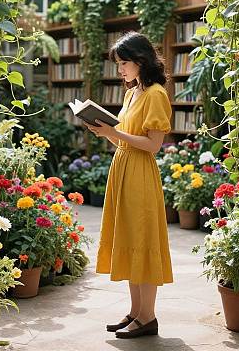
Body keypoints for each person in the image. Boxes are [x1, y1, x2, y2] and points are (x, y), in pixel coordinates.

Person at [84, 31, 173, 339]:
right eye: (118, 64)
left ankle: (148, 317)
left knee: (143, 240)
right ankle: (136, 312)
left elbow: (152, 145)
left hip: (140, 173)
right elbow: (124, 136)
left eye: (123, 63)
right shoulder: (132, 92)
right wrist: (104, 132)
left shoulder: (155, 94)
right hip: (122, 168)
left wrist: (114, 133)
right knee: (130, 238)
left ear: (140, 61)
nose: (119, 69)